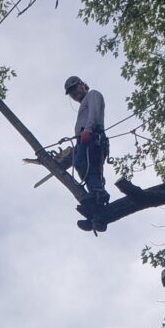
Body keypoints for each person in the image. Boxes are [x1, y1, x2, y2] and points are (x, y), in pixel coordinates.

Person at [64, 75, 110, 223]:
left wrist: (88, 129)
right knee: (89, 171)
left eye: (75, 88)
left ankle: (98, 192)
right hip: (85, 138)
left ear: (83, 84)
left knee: (82, 164)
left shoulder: (92, 94)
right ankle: (98, 214)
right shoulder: (84, 103)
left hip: (91, 137)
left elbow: (95, 113)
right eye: (70, 92)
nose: (73, 94)